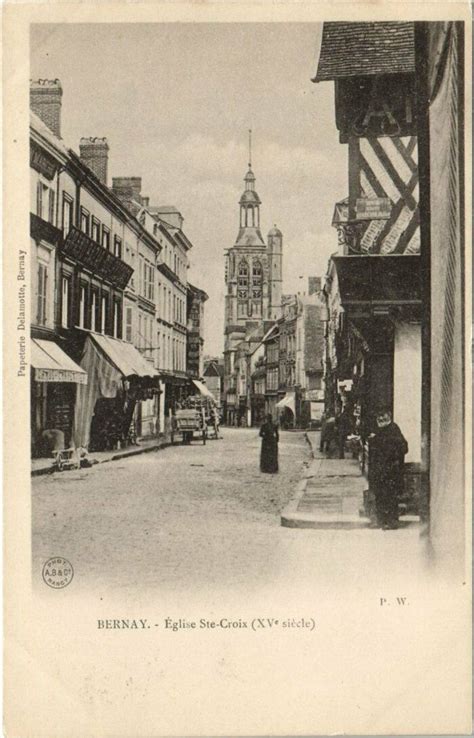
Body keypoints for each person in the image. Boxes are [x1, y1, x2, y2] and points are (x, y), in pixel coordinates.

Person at [368, 409, 408, 530]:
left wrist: (376, 440)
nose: (380, 419)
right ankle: (383, 521)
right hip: (381, 470)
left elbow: (402, 448)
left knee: (389, 496)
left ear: (388, 417)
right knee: (381, 495)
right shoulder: (382, 430)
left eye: (382, 416)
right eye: (378, 417)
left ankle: (391, 522)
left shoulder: (393, 430)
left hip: (390, 471)